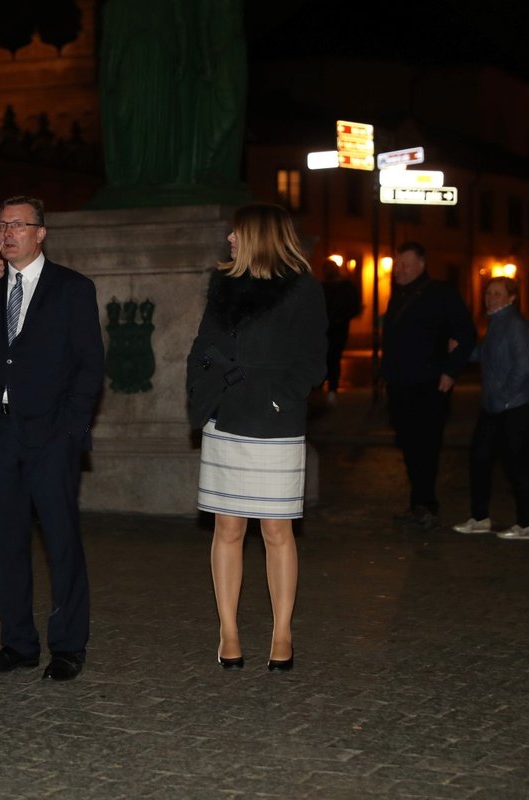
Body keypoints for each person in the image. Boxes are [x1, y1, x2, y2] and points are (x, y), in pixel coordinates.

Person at [0, 196, 105, 682]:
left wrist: (72, 429)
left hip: (50, 437)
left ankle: (68, 647)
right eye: (1, 224)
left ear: (41, 233)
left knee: (61, 543)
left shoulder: (72, 288)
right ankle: (17, 644)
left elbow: (90, 364)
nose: (7, 232)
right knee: (6, 543)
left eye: (18, 224)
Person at [186, 203, 327, 672]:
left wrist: (276, 400)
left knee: (276, 529)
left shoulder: (303, 290)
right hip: (227, 418)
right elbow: (202, 346)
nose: (229, 238)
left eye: (236, 232)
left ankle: (281, 631)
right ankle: (228, 631)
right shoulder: (223, 286)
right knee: (227, 529)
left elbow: (314, 361)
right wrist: (205, 395)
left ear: (260, 236)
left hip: (274, 423)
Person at [381, 241, 476, 530]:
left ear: (421, 265)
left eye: (405, 265)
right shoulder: (397, 296)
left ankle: (426, 504)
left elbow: (467, 333)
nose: (399, 270)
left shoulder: (441, 294)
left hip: (428, 384)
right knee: (409, 446)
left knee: (426, 447)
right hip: (399, 384)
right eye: (398, 264)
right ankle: (417, 503)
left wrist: (450, 371)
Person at [452, 277, 529, 541]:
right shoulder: (496, 323)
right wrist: (464, 351)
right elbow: (488, 355)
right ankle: (479, 518)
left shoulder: (515, 325)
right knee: (479, 459)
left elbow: (522, 366)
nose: (490, 298)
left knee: (516, 463)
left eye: (497, 294)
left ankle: (528, 523)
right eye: (488, 293)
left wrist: (503, 398)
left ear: (512, 297)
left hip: (516, 406)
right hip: (494, 405)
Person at [320, 260, 363, 404]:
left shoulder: (346, 287)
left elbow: (354, 307)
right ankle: (321, 388)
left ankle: (332, 389)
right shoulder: (322, 287)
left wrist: (341, 318)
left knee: (333, 357)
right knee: (322, 358)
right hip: (323, 329)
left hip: (338, 329)